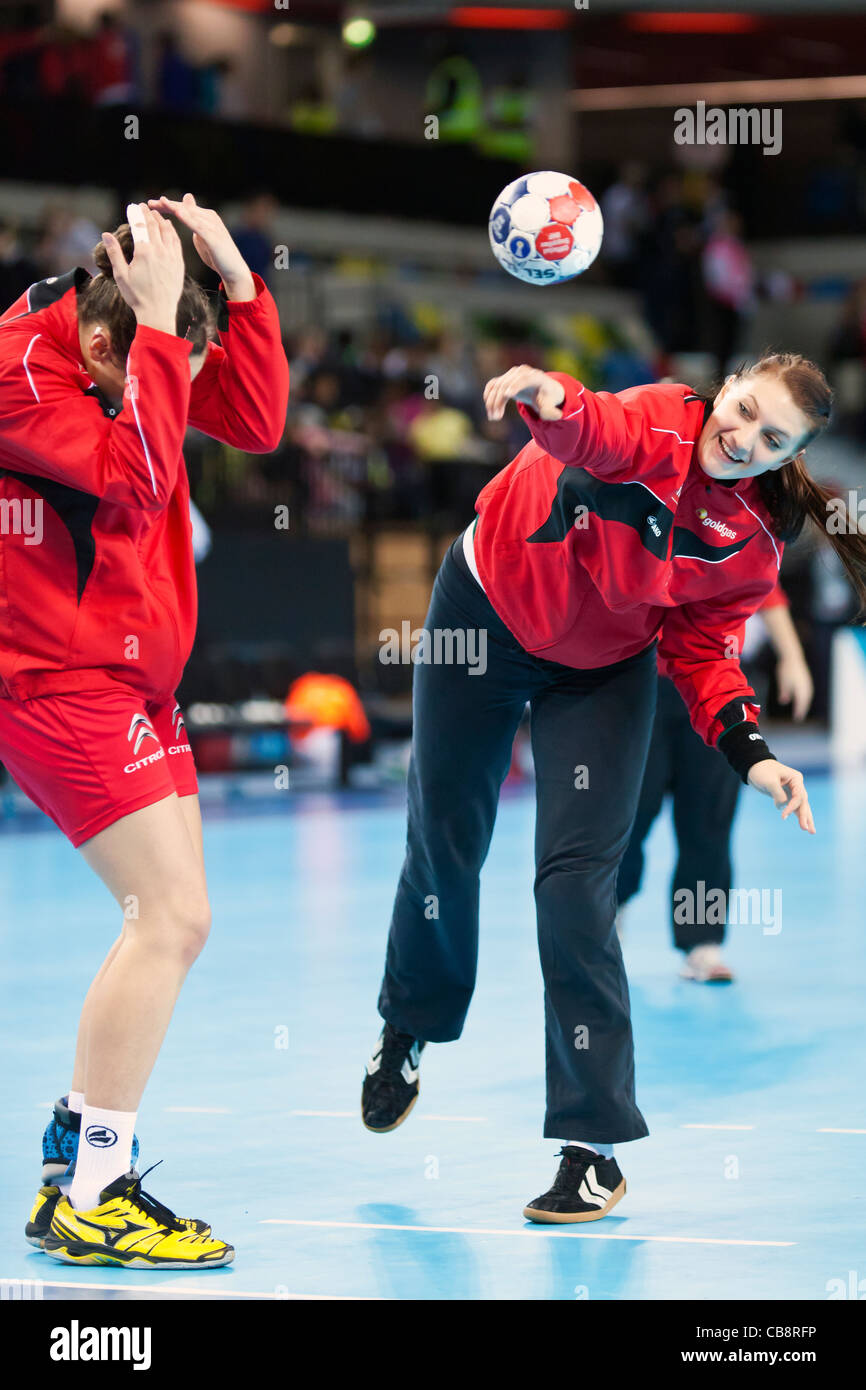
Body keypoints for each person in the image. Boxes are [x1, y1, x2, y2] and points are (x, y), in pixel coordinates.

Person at [361, 353, 866, 1223]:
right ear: (728, 385)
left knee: (577, 886)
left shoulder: (749, 543)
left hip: (602, 667)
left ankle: (592, 1151)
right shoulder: (657, 419)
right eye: (741, 409)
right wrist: (545, 396)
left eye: (769, 440)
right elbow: (590, 426)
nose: (740, 438)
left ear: (786, 458)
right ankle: (411, 1024)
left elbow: (703, 653)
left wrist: (757, 755)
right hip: (484, 611)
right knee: (444, 839)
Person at [0, 194, 288, 1267]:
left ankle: (77, 1151)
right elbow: (139, 477)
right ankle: (96, 1191)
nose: (158, 380)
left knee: (171, 919)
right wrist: (161, 338)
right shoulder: (19, 375)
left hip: (134, 680)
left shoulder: (138, 334)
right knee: (167, 918)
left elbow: (254, 422)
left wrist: (237, 278)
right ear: (94, 334)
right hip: (55, 682)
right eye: (145, 358)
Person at [617, 584, 814, 983]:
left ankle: (703, 944)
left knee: (709, 821)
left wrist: (792, 657)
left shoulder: (736, 527)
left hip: (715, 683)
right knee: (629, 815)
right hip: (635, 680)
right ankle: (610, 910)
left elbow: (766, 586)